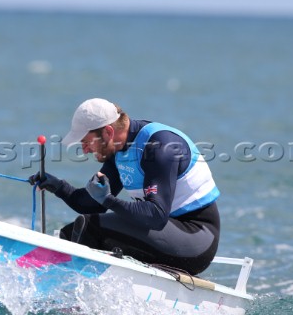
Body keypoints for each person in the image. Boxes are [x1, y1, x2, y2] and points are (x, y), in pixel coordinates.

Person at [29, 98, 220, 275]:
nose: (85, 150)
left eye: (87, 142)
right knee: (70, 233)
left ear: (108, 132)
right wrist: (57, 186)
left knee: (90, 228)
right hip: (164, 235)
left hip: (196, 240)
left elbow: (156, 216)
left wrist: (109, 199)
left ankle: (73, 294)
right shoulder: (118, 148)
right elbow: (92, 204)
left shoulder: (160, 147)